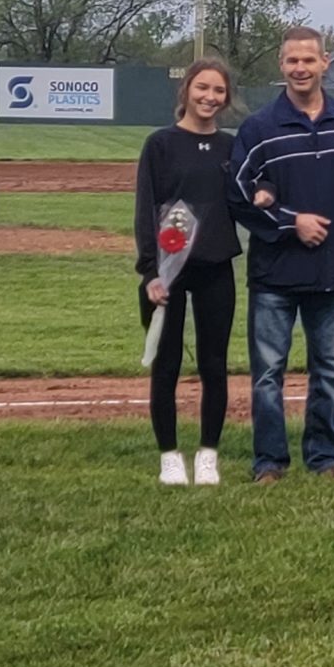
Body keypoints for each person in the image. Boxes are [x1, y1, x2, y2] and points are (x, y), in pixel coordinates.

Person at [229, 26, 334, 484]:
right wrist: (290, 221)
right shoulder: (259, 129)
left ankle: (324, 459)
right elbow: (238, 197)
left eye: (308, 60)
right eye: (291, 61)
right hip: (274, 276)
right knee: (267, 376)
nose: (300, 68)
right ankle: (270, 463)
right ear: (281, 66)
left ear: (325, 63)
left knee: (329, 372)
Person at [134, 60, 241, 487]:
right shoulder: (160, 144)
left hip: (217, 268)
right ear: (186, 92)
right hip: (167, 274)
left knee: (215, 365)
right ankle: (169, 456)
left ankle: (209, 455)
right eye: (202, 88)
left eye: (218, 91)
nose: (209, 97)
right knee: (167, 364)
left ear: (226, 98)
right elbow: (146, 208)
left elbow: (248, 197)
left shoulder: (232, 147)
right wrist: (149, 272)